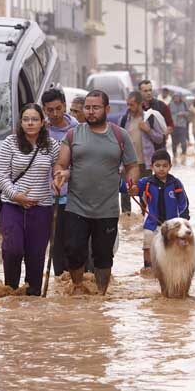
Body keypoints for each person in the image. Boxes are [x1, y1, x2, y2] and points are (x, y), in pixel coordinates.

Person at [53, 90, 139, 295]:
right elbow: (61, 163)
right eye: (88, 108)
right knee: (74, 252)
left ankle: (101, 295)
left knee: (103, 256)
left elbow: (132, 165)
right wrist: (59, 175)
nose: (91, 112)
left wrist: (132, 181)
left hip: (107, 208)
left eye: (96, 107)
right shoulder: (73, 134)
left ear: (107, 109)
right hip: (76, 206)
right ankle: (78, 288)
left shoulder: (120, 135)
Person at [0, 103, 60, 296]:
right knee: (12, 249)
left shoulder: (52, 146)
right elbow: (1, 175)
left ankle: (32, 300)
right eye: (26, 119)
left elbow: (59, 167)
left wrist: (57, 179)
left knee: (36, 256)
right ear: (21, 122)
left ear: (42, 123)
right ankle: (11, 292)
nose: (30, 123)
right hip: (12, 206)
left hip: (41, 209)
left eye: (34, 119)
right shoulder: (10, 142)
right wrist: (17, 196)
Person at [127, 149, 190, 273]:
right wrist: (131, 189)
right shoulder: (146, 183)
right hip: (151, 223)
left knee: (174, 246)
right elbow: (134, 189)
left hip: (172, 225)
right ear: (152, 166)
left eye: (165, 166)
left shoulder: (176, 184)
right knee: (148, 243)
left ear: (170, 167)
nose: (161, 169)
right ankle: (148, 268)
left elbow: (183, 203)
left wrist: (184, 220)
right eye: (158, 166)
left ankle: (175, 268)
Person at [42, 88, 78, 276]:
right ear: (44, 110)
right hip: (48, 198)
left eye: (58, 108)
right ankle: (60, 284)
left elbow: (82, 163)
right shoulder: (40, 132)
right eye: (50, 110)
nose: (55, 114)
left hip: (74, 197)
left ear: (65, 105)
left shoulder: (78, 130)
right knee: (55, 246)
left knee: (74, 245)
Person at [120, 91, 164, 178]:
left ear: (140, 104)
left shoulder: (150, 118)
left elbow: (160, 139)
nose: (129, 107)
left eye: (132, 105)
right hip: (128, 165)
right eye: (128, 104)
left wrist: (148, 130)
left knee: (145, 191)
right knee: (126, 191)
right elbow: (119, 143)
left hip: (145, 165)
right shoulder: (124, 120)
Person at [138, 80, 173, 149]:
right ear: (140, 92)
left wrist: (164, 135)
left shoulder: (162, 106)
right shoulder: (137, 108)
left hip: (159, 147)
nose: (149, 93)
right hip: (142, 148)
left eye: (150, 90)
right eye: (145, 91)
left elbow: (170, 125)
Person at [168, 92, 189, 158]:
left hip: (182, 126)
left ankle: (183, 156)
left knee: (183, 142)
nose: (176, 98)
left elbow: (188, 113)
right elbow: (166, 115)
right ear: (173, 98)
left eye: (178, 97)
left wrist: (183, 113)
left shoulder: (184, 104)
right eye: (175, 97)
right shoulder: (170, 105)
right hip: (173, 126)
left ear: (180, 98)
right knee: (174, 143)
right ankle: (174, 156)